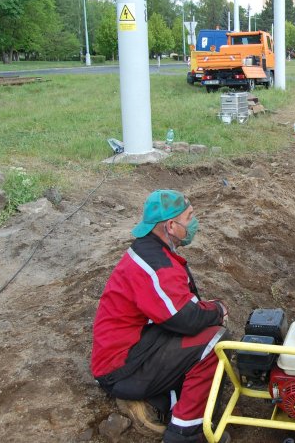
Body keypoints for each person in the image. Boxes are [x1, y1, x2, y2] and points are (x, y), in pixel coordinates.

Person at [91, 190, 230, 443]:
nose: (193, 224)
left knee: (200, 331)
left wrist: (206, 309)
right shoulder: (155, 265)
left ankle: (163, 401)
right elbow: (186, 319)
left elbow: (179, 308)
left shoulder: (153, 251)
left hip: (135, 346)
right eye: (189, 218)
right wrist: (218, 310)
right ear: (170, 226)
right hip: (121, 366)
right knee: (215, 342)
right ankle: (185, 432)